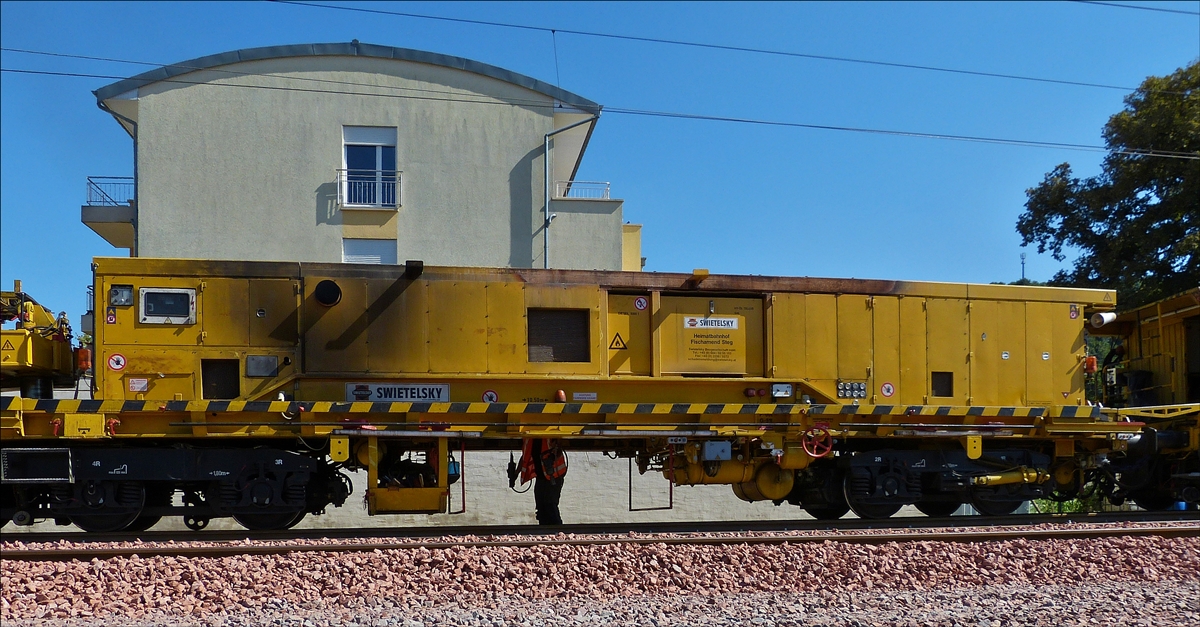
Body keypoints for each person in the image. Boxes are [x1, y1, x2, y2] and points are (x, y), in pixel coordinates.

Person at [515, 438, 567, 525]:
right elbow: (525, 457)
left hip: (554, 476)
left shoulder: (548, 437)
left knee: (550, 505)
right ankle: (544, 529)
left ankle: (557, 530)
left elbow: (558, 448)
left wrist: (553, 455)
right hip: (541, 477)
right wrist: (516, 473)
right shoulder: (529, 439)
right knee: (541, 506)